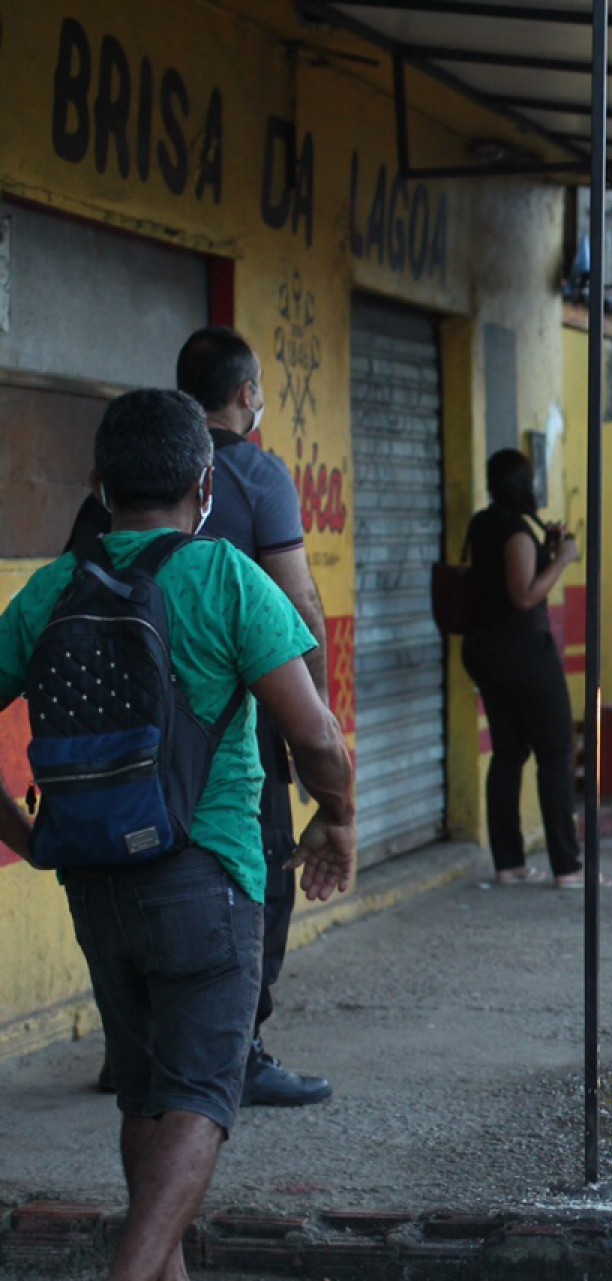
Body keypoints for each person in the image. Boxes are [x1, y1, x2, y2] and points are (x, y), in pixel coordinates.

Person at [0, 389, 356, 1281]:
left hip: (93, 878)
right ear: (205, 485)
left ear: (98, 484)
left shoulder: (52, 587)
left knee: (146, 1089)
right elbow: (315, 733)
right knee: (202, 1093)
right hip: (209, 874)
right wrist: (337, 819)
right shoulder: (226, 575)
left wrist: (30, 838)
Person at [68, 327, 335, 1107]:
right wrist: (316, 712)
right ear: (247, 393)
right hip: (225, 736)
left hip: (110, 746)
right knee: (257, 881)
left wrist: (25, 830)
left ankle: (135, 1051)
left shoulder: (108, 494)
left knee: (122, 885)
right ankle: (238, 1048)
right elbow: (299, 596)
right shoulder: (255, 476)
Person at [462, 449, 599, 888]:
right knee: (555, 752)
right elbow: (523, 596)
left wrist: (548, 547)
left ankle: (510, 862)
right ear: (526, 484)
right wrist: (563, 559)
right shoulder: (516, 532)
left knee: (509, 752)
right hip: (522, 651)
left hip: (484, 650)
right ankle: (568, 866)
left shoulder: (483, 523)